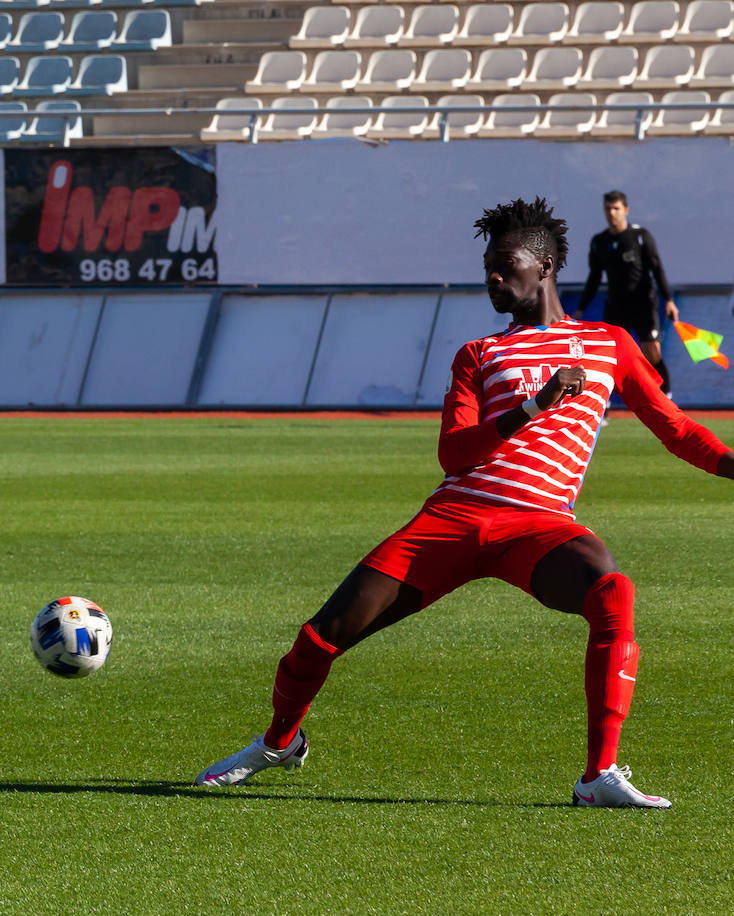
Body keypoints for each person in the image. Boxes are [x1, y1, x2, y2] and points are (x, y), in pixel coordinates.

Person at [196, 198, 734, 807]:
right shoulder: (479, 355)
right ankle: (278, 742)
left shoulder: (609, 343)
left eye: (505, 265)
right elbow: (454, 455)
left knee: (612, 591)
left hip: (539, 527)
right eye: (488, 268)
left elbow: (677, 428)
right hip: (450, 522)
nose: (493, 278)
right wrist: (532, 408)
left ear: (547, 264)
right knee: (319, 639)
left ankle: (599, 778)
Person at [573, 189, 680, 393]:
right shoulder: (599, 241)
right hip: (616, 305)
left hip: (644, 303)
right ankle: (605, 405)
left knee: (652, 351)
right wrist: (580, 308)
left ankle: (666, 395)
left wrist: (668, 299)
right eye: (608, 208)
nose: (612, 212)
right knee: (612, 355)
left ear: (626, 210)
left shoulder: (640, 236)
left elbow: (657, 268)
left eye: (616, 208)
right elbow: (594, 278)